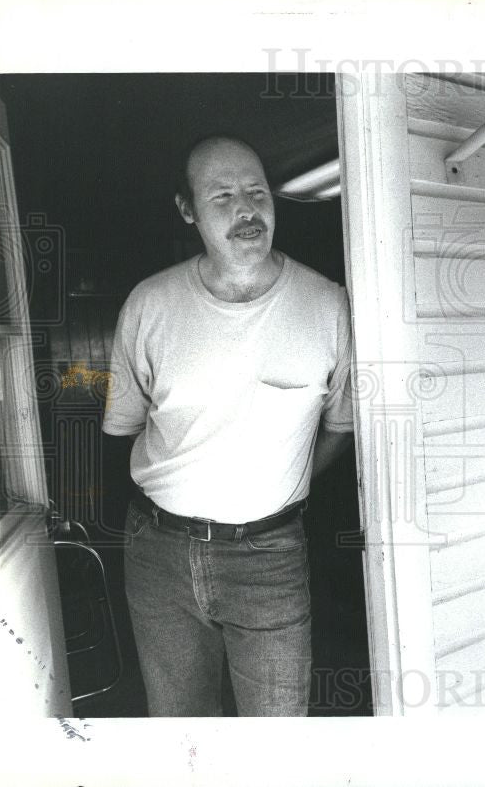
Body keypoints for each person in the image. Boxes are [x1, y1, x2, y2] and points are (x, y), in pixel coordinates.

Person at [103, 135, 354, 716]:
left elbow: (340, 425)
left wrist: (280, 491)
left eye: (256, 191)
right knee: (183, 732)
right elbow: (121, 430)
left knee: (276, 738)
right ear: (187, 209)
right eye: (222, 195)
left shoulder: (328, 306)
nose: (247, 208)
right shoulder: (150, 305)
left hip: (269, 557)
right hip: (157, 554)